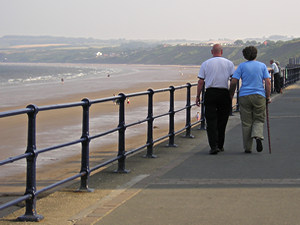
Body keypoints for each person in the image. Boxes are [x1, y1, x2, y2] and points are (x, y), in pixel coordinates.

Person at [229, 46, 271, 153]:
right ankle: (257, 135)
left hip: (244, 95)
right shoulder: (262, 66)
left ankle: (247, 147)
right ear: (256, 54)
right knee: (259, 118)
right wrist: (268, 96)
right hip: (259, 95)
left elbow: (234, 81)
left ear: (244, 55)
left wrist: (231, 94)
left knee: (246, 122)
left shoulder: (242, 66)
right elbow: (268, 82)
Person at [196, 44, 235, 155]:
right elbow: (233, 80)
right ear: (221, 52)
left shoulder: (206, 63)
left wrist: (198, 96)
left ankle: (213, 146)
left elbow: (201, 82)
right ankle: (220, 145)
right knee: (222, 120)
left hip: (210, 93)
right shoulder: (229, 63)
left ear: (212, 52)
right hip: (224, 93)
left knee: (211, 120)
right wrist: (231, 94)